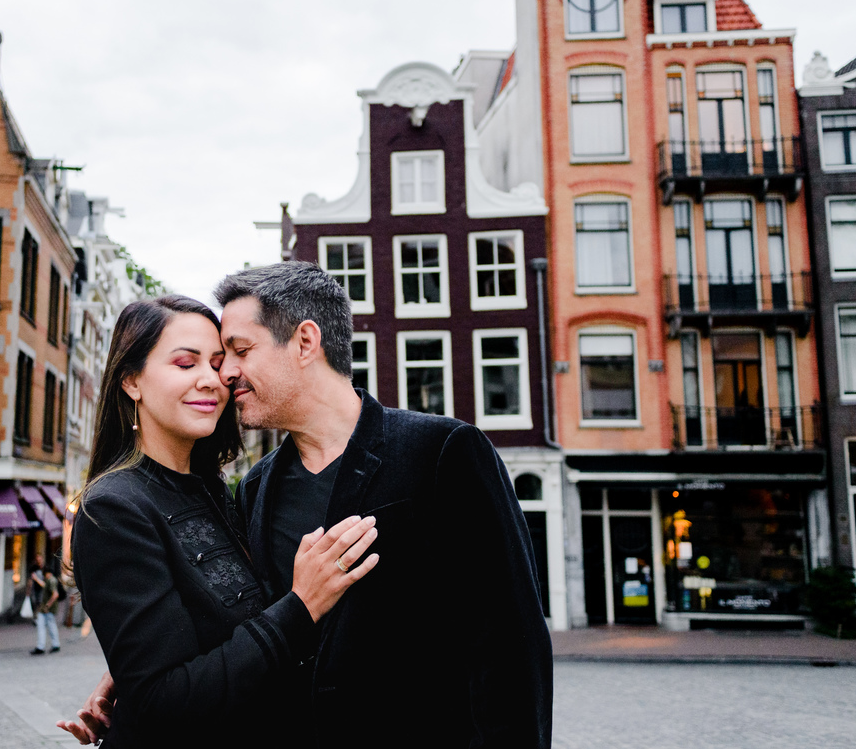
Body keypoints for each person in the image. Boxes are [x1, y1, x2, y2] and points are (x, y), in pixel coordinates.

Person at [65, 264, 552, 747]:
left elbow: (512, 652)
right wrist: (137, 679)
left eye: (236, 352)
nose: (225, 375)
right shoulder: (253, 488)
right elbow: (238, 625)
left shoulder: (442, 452)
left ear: (304, 342)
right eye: (209, 361)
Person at [58, 295, 379, 747]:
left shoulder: (218, 491)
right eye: (186, 364)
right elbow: (162, 700)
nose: (212, 380)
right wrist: (301, 606)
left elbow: (199, 634)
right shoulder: (114, 508)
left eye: (217, 363)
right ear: (131, 380)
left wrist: (124, 671)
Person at [31, 566, 61, 654]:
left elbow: (55, 594)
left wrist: (48, 605)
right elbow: (44, 586)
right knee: (50, 626)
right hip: (46, 609)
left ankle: (42, 646)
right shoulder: (51, 580)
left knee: (43, 625)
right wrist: (36, 579)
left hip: (47, 609)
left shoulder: (51, 580)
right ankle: (53, 644)